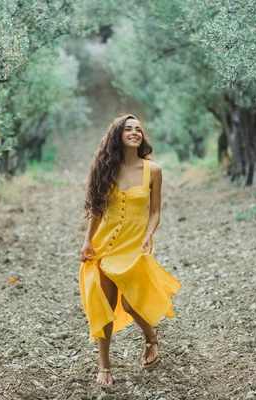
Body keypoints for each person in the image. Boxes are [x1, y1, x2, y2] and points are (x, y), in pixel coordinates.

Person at [78, 114, 182, 386]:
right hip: (106, 243)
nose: (135, 132)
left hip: (136, 243)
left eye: (138, 129)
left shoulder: (153, 170)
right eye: (128, 129)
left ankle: (150, 337)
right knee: (105, 304)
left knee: (129, 302)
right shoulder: (105, 168)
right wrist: (88, 240)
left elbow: (156, 211)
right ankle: (104, 367)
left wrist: (149, 235)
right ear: (118, 135)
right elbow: (96, 210)